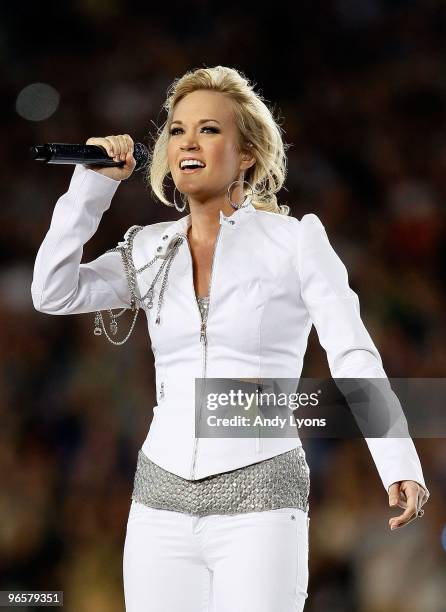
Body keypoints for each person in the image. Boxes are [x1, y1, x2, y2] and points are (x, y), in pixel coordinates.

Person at [31, 66, 429, 612]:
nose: (188, 141)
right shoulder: (149, 248)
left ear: (247, 154)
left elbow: (352, 350)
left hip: (261, 496)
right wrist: (92, 188)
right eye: (176, 130)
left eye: (209, 129)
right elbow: (52, 290)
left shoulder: (293, 241)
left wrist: (398, 460)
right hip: (159, 501)